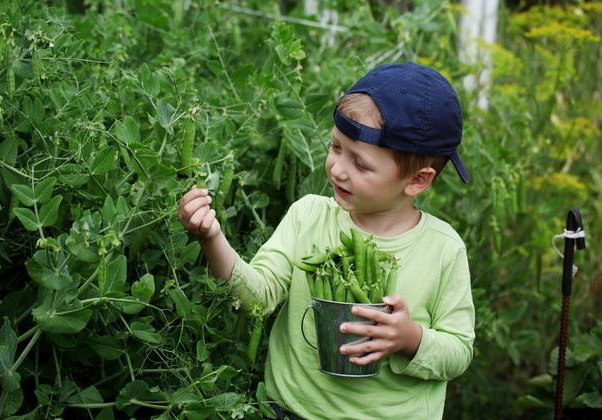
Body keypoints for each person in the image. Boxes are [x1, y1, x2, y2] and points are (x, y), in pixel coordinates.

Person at [178, 62, 475, 419]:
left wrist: (410, 338)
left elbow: (458, 352)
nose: (337, 168)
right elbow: (257, 296)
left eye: (360, 164)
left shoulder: (443, 248)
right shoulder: (308, 216)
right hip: (290, 411)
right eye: (335, 146)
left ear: (417, 180)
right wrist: (211, 238)